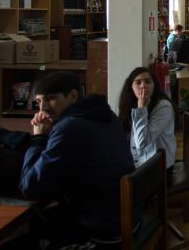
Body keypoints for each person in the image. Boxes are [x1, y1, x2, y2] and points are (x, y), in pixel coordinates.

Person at [19, 71, 135, 248]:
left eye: (50, 99)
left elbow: (30, 186)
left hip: (103, 231)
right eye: (38, 102)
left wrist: (38, 138)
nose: (42, 109)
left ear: (73, 96)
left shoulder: (70, 127)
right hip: (127, 218)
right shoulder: (105, 114)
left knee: (27, 229)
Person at [118, 67, 177, 170]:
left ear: (154, 85)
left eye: (147, 82)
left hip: (158, 168)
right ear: (131, 87)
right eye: (138, 82)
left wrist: (142, 108)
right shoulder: (129, 104)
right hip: (138, 163)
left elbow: (142, 144)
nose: (143, 86)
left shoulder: (163, 106)